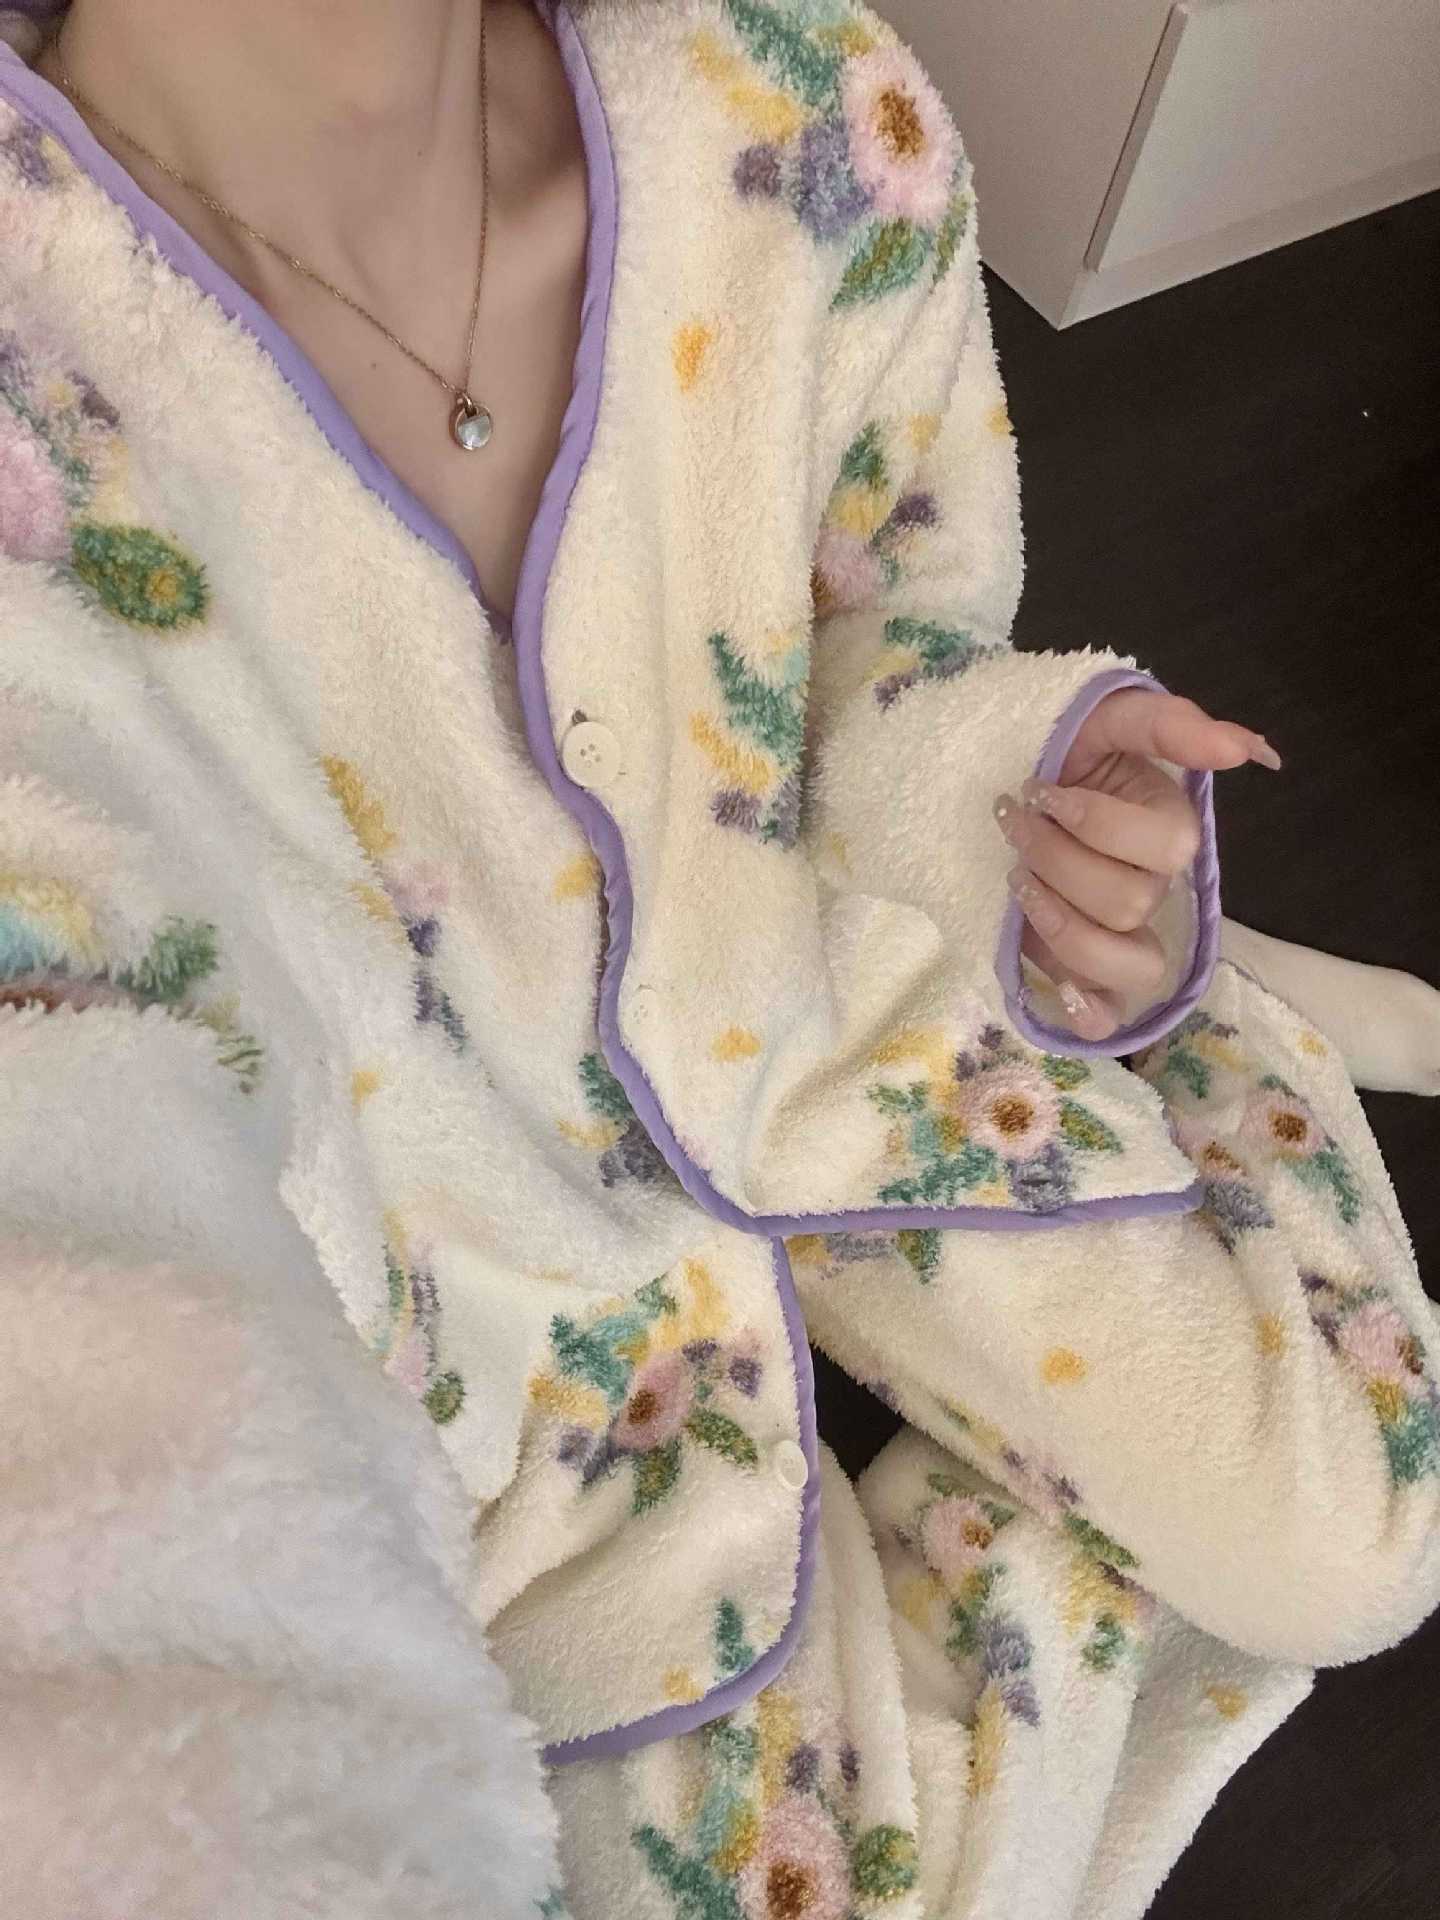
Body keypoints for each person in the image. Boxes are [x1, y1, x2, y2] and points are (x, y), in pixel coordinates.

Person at [1, 1, 1437, 1914]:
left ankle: (1209, 1023)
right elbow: (77, 1076)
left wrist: (1057, 836)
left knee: (1355, 1540)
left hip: (828, 1019)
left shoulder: (797, 113)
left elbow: (889, 645)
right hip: (490, 1300)